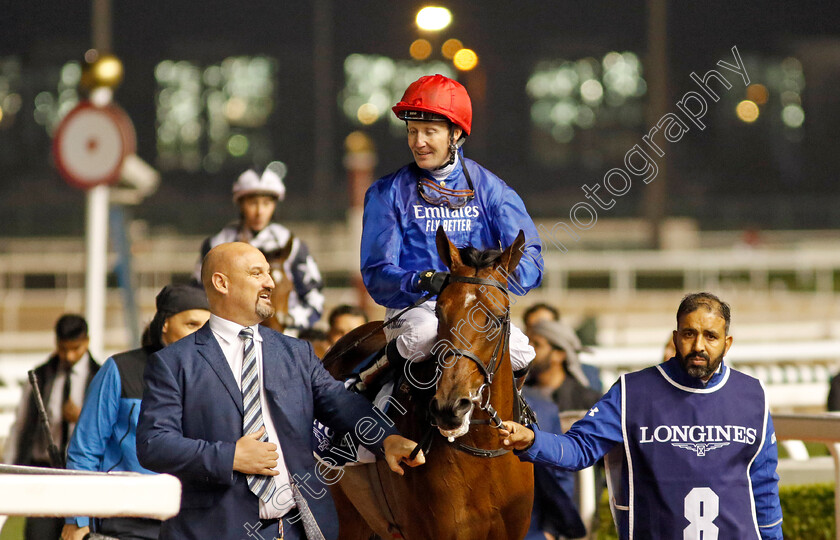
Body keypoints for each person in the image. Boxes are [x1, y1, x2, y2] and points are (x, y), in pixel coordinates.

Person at [137, 242, 424, 540]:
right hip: (212, 530)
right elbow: (154, 444)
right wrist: (230, 456)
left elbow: (340, 402)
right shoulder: (173, 362)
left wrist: (387, 439)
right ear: (222, 282)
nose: (270, 282)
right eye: (256, 273)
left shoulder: (295, 352)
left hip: (296, 529)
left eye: (269, 273)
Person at [500, 292, 784, 539]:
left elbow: (764, 487)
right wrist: (532, 440)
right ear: (675, 338)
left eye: (710, 336)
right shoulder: (631, 391)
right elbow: (580, 448)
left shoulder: (753, 395)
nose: (699, 345)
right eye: (689, 334)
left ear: (727, 343)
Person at [360, 73, 543, 376]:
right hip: (415, 309)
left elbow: (531, 260)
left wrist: (493, 277)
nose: (418, 142)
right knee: (423, 337)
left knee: (522, 354)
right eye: (412, 131)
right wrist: (423, 280)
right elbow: (377, 273)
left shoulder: (492, 190)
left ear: (455, 133)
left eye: (429, 131)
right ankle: (367, 383)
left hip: (477, 309)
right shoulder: (386, 193)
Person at [60, 284, 211, 540]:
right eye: (191, 324)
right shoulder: (119, 369)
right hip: (124, 520)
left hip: (193, 522)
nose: (200, 335)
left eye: (206, 328)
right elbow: (85, 449)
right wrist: (77, 519)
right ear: (164, 323)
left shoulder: (216, 378)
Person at [4, 314, 99, 540]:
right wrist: (9, 469)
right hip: (44, 472)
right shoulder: (41, 376)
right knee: (38, 535)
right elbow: (21, 426)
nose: (69, 355)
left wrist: (81, 417)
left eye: (75, 348)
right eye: (63, 348)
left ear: (87, 341)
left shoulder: (100, 375)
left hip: (81, 475)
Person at [195, 163, 324, 330]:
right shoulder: (216, 244)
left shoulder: (292, 244)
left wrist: (291, 319)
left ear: (275, 205)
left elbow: (314, 295)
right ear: (240, 204)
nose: (259, 211)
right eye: (252, 203)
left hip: (287, 331)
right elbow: (198, 293)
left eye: (266, 203)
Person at [523, 302, 602, 392]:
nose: (536, 332)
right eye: (531, 327)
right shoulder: (519, 384)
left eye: (545, 325)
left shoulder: (587, 380)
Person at [528, 320, 602, 412]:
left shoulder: (588, 402)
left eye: (537, 345)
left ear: (559, 354)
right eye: (528, 343)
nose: (529, 349)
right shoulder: (519, 395)